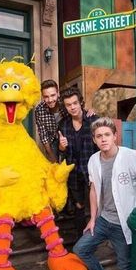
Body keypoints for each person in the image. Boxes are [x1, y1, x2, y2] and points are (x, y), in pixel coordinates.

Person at [73, 117, 136, 270]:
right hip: (103, 220)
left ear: (115, 136)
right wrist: (92, 219)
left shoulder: (129, 156)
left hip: (124, 224)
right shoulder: (93, 160)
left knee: (126, 268)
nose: (103, 139)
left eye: (107, 135)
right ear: (94, 139)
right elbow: (93, 189)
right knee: (81, 249)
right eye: (99, 136)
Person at [58, 87, 98, 238]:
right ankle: (81, 240)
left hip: (92, 170)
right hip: (74, 172)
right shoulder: (63, 124)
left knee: (97, 204)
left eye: (75, 103)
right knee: (79, 206)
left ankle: (97, 238)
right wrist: (62, 147)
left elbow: (102, 146)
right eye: (68, 105)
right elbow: (62, 152)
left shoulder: (93, 120)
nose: (73, 107)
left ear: (81, 102)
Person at [35, 80, 95, 163]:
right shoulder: (39, 110)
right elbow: (43, 134)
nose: (50, 99)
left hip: (68, 132)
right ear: (42, 96)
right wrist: (51, 156)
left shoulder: (65, 101)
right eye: (46, 96)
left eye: (53, 95)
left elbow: (76, 107)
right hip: (52, 139)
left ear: (58, 93)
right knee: (54, 164)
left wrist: (88, 110)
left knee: (71, 157)